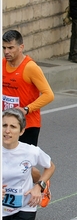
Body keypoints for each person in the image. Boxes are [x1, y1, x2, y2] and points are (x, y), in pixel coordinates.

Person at [2, 29, 54, 207]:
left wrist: (26, 109)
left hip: (28, 124)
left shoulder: (30, 67)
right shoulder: (2, 65)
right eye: (4, 48)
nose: (7, 52)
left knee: (28, 166)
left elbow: (48, 95)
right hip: (7, 123)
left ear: (21, 47)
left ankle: (42, 184)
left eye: (10, 48)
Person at [2, 108, 56, 220]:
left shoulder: (31, 151)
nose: (7, 131)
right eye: (4, 125)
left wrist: (39, 186)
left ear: (21, 131)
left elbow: (50, 166)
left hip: (24, 207)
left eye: (13, 127)